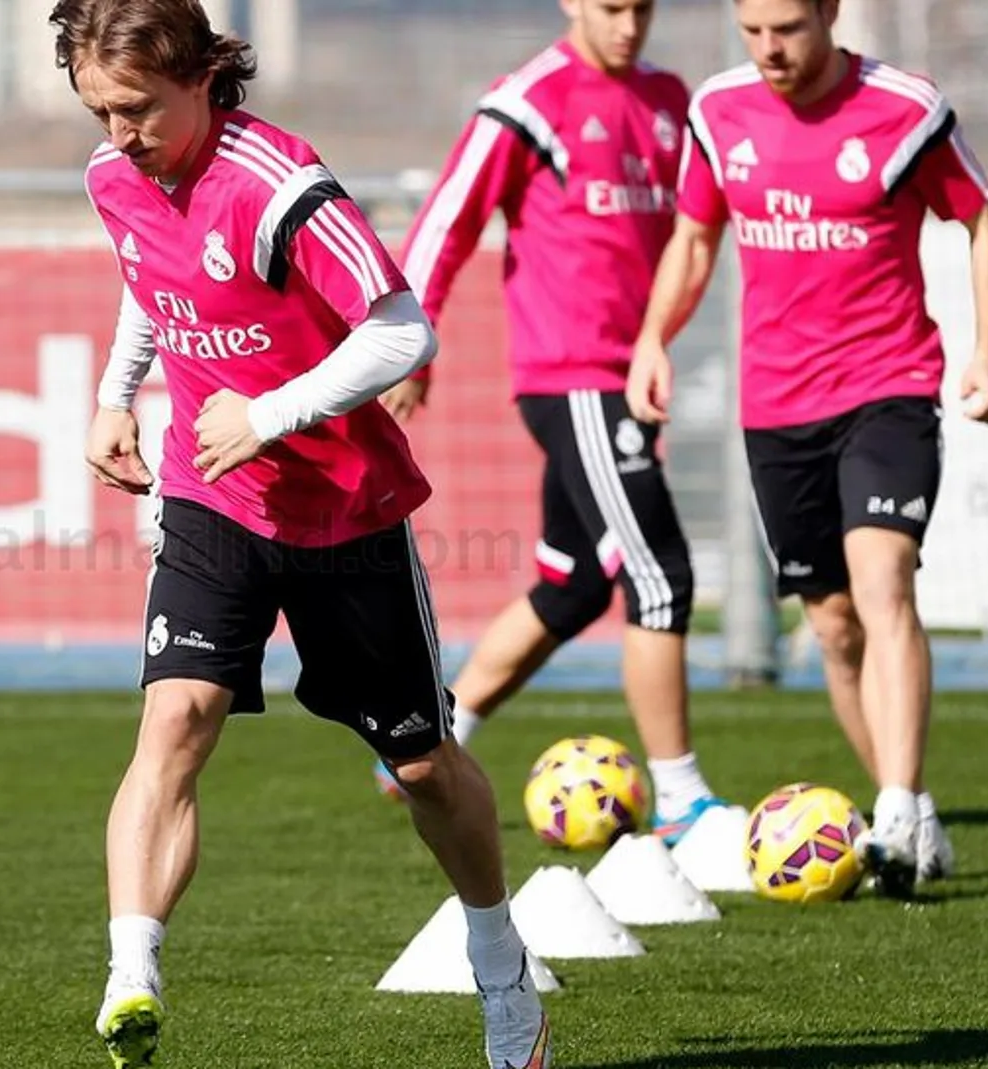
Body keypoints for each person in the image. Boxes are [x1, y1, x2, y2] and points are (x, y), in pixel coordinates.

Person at [49, 2, 551, 1066]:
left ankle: (498, 958)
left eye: (138, 109)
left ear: (201, 77)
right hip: (208, 497)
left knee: (420, 766)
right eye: (99, 112)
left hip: (343, 512)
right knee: (176, 717)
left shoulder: (279, 186)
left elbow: (401, 327)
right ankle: (131, 972)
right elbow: (152, 282)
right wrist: (114, 395)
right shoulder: (113, 178)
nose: (119, 135)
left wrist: (271, 411)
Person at [627, 0, 988, 897]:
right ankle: (913, 814)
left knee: (884, 585)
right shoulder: (719, 113)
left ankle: (895, 803)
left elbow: (984, 221)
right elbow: (695, 237)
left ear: (832, 14)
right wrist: (655, 338)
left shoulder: (907, 111)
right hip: (777, 409)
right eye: (753, 30)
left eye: (789, 29)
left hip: (888, 390)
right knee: (834, 629)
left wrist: (987, 351)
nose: (770, 49)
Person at [378, 0, 724, 844]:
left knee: (574, 585)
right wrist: (411, 352)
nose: (629, 24)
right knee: (661, 575)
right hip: (574, 378)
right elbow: (446, 224)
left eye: (642, 8)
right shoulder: (526, 103)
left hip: (630, 377)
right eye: (611, 7)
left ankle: (428, 737)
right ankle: (681, 801)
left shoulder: (671, 99)